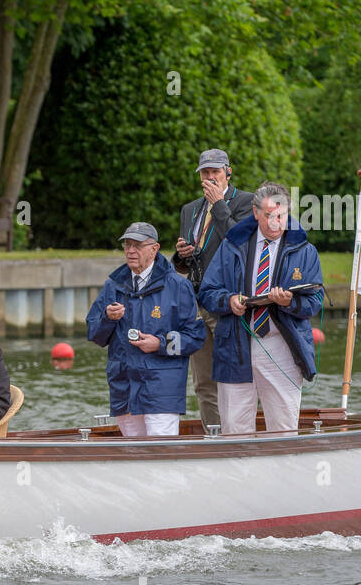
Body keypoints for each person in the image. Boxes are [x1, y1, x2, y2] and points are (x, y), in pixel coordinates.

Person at [198, 181, 324, 434]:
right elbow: (208, 292)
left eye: (281, 215)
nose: (275, 222)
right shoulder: (232, 245)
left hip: (283, 347)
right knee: (234, 429)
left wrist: (289, 302)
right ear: (255, 213)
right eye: (268, 216)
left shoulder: (305, 251)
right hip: (235, 345)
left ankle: (282, 472)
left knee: (284, 429)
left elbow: (314, 302)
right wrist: (229, 301)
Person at [86, 222, 207, 437]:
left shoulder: (178, 286)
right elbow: (94, 333)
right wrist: (108, 318)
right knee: (133, 455)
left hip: (161, 389)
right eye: (127, 245)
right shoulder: (113, 285)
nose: (131, 251)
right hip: (124, 385)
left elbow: (195, 337)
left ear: (155, 249)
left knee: (161, 454)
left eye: (138, 245)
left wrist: (159, 344)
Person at [172, 149, 255, 428]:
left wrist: (219, 204)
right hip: (195, 302)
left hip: (227, 302)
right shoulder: (190, 209)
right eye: (205, 173)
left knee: (232, 377)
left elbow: (240, 242)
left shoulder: (246, 202)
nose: (210, 177)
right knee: (203, 382)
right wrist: (181, 255)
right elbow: (187, 263)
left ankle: (239, 436)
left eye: (215, 172)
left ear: (228, 172)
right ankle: (214, 437)